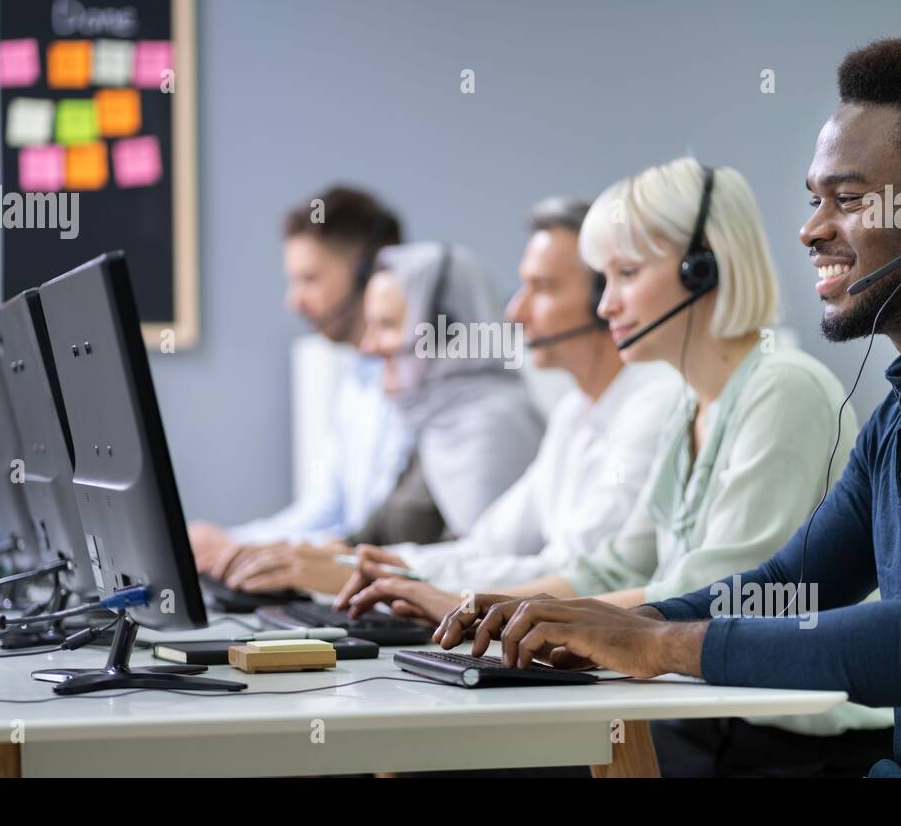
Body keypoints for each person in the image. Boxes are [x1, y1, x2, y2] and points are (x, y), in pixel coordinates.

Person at [434, 39, 901, 778]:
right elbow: (788, 583)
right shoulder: (900, 419)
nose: (811, 229)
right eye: (814, 198)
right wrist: (625, 622)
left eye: (848, 199)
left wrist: (659, 648)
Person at [343, 157, 893, 775]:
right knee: (425, 751)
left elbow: (722, 595)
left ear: (703, 269)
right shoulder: (689, 398)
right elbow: (618, 565)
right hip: (697, 713)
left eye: (626, 274)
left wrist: (557, 622)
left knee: (439, 762)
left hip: (784, 742)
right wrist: (490, 607)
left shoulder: (783, 390)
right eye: (603, 279)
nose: (605, 306)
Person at [238, 197, 680, 600]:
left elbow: (577, 573)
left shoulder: (650, 406)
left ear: (602, 298)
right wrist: (373, 569)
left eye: (542, 287)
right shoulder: (574, 413)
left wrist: (392, 580)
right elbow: (488, 544)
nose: (514, 311)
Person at [208, 241, 547, 593]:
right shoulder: (439, 418)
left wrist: (354, 570)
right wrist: (285, 556)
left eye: (386, 325)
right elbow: (370, 535)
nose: (368, 346)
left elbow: (487, 571)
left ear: (447, 331)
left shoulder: (495, 422)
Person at [188, 186, 412, 571]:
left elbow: (379, 533)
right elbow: (327, 509)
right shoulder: (357, 378)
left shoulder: (416, 383)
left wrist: (243, 547)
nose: (294, 301)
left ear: (367, 273)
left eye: (310, 279)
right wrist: (232, 543)